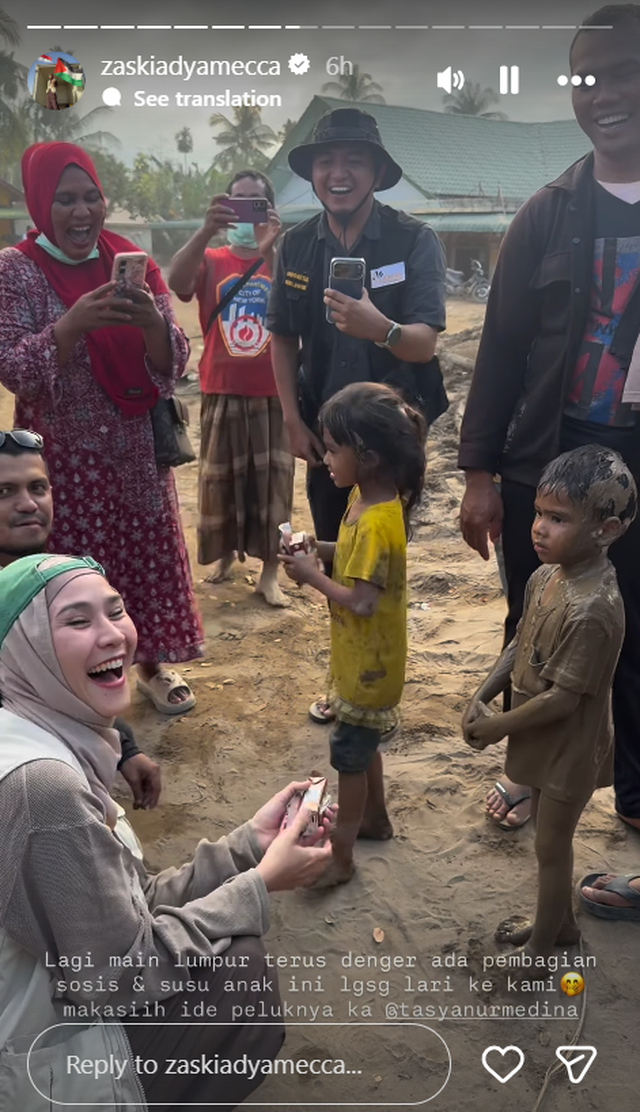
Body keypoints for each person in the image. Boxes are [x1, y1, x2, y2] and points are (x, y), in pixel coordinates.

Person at [0, 552, 333, 1112]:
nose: (113, 635)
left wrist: (249, 846)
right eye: (76, 621)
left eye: (116, 611)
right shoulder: (45, 789)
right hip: (35, 1066)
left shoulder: (35, 735)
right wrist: (260, 885)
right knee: (241, 976)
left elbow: (127, 905)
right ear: (23, 651)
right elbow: (117, 977)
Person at [458, 4, 640, 831]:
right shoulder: (549, 211)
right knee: (538, 623)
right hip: (552, 457)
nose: (602, 94)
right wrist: (480, 475)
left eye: (622, 72)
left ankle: (635, 795)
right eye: (586, 77)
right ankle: (530, 773)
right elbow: (500, 350)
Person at [0, 141, 203, 716]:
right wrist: (71, 326)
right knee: (71, 571)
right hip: (64, 461)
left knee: (143, 562)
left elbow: (174, 361)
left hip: (137, 449)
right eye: (65, 199)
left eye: (91, 196)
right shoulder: (14, 269)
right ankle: (68, 679)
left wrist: (153, 325)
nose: (82, 211)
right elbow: (14, 369)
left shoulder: (133, 262)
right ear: (40, 202)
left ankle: (152, 665)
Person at [267, 106, 447, 722]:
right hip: (326, 436)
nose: (338, 173)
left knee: (378, 557)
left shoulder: (412, 240)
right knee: (334, 544)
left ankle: (378, 674)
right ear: (312, 173)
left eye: (353, 161)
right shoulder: (295, 245)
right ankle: (348, 675)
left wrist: (381, 327)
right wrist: (292, 419)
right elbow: (282, 337)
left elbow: (424, 344)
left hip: (392, 440)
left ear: (375, 172)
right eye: (326, 161)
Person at [462, 446, 637, 963]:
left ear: (606, 529)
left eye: (558, 518)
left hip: (569, 747)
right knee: (544, 832)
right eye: (539, 513)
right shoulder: (547, 576)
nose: (538, 528)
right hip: (538, 734)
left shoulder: (594, 609)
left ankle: (543, 947)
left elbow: (564, 698)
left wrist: (498, 725)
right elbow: (520, 641)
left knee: (551, 847)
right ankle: (559, 926)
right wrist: (483, 693)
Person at [280, 382, 426, 887]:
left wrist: (310, 577)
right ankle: (374, 820)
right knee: (364, 750)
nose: (325, 459)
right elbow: (348, 555)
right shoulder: (366, 501)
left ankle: (340, 857)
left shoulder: (378, 522)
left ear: (368, 457)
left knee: (347, 756)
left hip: (370, 667)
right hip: (362, 660)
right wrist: (314, 550)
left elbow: (362, 602)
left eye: (333, 449)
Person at [0, 426, 160, 808]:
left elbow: (65, 679)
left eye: (37, 488)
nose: (28, 504)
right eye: (4, 492)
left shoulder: (53, 578)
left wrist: (124, 748)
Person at [168, 170, 293, 607]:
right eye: (236, 200)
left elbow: (297, 306)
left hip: (274, 392)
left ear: (270, 208)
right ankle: (224, 557)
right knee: (220, 481)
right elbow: (177, 284)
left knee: (273, 486)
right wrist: (205, 230)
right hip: (220, 388)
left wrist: (271, 250)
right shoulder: (212, 258)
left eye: (255, 201)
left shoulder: (283, 257)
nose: (244, 210)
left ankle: (270, 573)